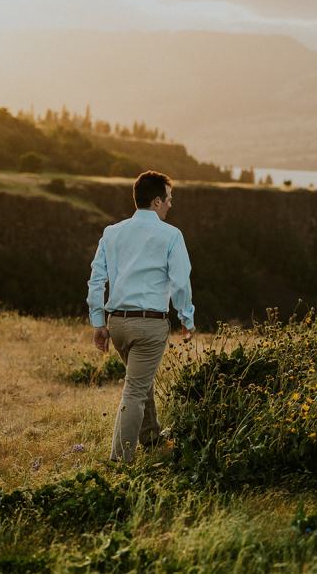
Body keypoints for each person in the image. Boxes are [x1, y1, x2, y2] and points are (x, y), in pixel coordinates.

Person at [87, 170, 195, 462]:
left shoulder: (112, 233)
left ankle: (150, 437)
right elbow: (181, 281)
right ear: (157, 201)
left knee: (139, 380)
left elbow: (97, 280)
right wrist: (187, 318)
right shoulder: (171, 235)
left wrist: (98, 323)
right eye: (169, 199)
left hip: (117, 324)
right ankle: (120, 461)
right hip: (149, 325)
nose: (171, 205)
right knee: (135, 389)